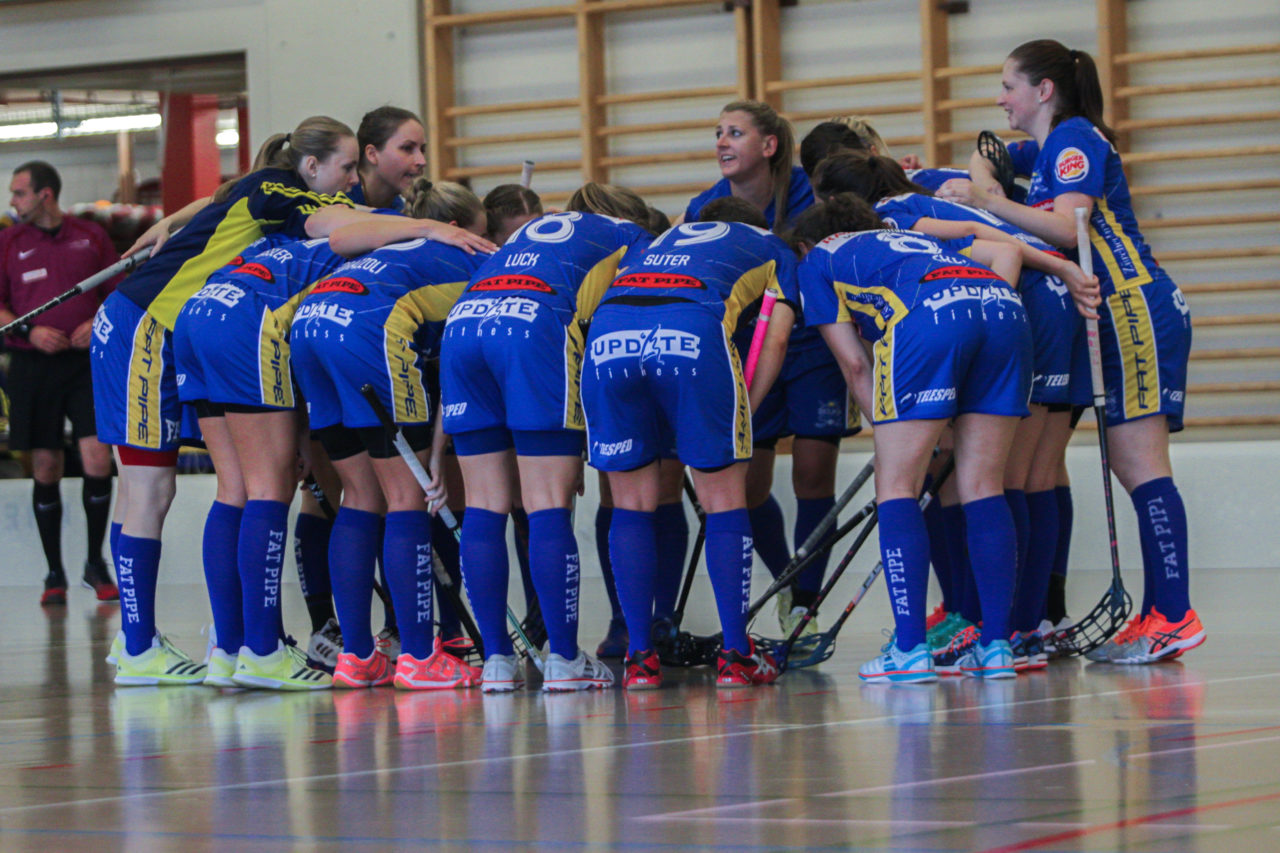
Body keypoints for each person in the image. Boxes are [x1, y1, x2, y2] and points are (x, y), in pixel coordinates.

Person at [936, 39, 1201, 665]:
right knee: (1130, 466)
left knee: (1142, 468)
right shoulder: (1052, 143)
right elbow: (988, 154)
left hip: (1132, 305)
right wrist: (978, 176)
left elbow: (1069, 226)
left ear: (1044, 90)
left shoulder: (1076, 137)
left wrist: (990, 203)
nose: (1000, 99)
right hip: (1114, 311)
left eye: (1008, 86)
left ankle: (1174, 614)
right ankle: (1163, 610)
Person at [93, 115, 363, 686]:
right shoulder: (276, 191)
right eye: (348, 166)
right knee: (149, 487)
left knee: (156, 488)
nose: (351, 180)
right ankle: (139, 646)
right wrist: (420, 228)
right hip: (148, 325)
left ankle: (154, 641)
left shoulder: (256, 192)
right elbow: (329, 223)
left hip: (165, 331)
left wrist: (168, 220)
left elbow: (210, 203)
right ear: (309, 167)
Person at [812, 150, 1094, 668]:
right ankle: (998, 645)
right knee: (986, 486)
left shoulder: (819, 255)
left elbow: (854, 366)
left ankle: (909, 650)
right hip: (1005, 311)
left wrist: (891, 425)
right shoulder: (917, 237)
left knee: (897, 485)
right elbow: (995, 251)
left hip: (933, 323)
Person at [440, 183, 652, 692]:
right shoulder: (633, 238)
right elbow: (619, 326)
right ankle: (562, 659)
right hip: (533, 330)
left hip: (464, 328)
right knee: (546, 504)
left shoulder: (535, 234)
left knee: (485, 504)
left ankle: (495, 661)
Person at [582, 195, 798, 690]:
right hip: (692, 337)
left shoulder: (656, 241)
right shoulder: (771, 245)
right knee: (723, 502)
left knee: (631, 505)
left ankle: (638, 659)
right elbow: (777, 337)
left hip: (608, 340)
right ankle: (736, 657)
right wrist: (742, 409)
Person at [292, 179, 493, 690]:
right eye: (480, 234)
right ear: (460, 229)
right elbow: (457, 368)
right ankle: (420, 657)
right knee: (405, 500)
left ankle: (357, 656)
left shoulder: (390, 241)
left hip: (312, 326)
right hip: (369, 332)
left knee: (360, 496)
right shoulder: (467, 258)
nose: (484, 244)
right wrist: (439, 457)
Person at [172, 231, 350, 688]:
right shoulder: (365, 235)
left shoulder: (272, 242)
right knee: (270, 487)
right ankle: (264, 653)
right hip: (244, 324)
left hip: (197, 314)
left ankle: (227, 650)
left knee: (233, 488)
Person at [0, 161, 118, 605]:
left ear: (45, 195)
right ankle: (54, 573)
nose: (13, 202)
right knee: (46, 465)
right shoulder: (8, 242)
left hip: (85, 364)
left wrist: (96, 320)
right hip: (33, 367)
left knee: (97, 457)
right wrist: (28, 330)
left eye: (19, 193)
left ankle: (95, 562)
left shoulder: (90, 236)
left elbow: (118, 291)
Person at [348, 106, 427, 211]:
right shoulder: (334, 200)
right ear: (372, 154)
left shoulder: (402, 209)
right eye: (407, 148)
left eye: (422, 150)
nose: (422, 161)